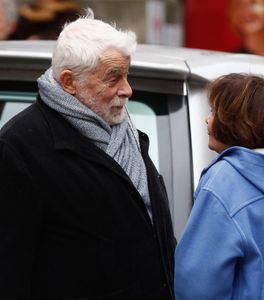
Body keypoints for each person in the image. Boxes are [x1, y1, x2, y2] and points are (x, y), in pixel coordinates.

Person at [0, 9, 175, 300]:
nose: (128, 89)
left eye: (127, 74)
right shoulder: (20, 148)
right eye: (113, 78)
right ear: (69, 83)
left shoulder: (124, 129)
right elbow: (9, 274)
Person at [175, 73, 264, 299]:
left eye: (213, 111)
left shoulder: (226, 181)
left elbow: (197, 286)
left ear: (237, 122)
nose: (207, 119)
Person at [9, 0, 81, 40]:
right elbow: (17, 34)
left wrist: (40, 38)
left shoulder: (68, 13)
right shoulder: (28, 11)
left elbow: (65, 34)